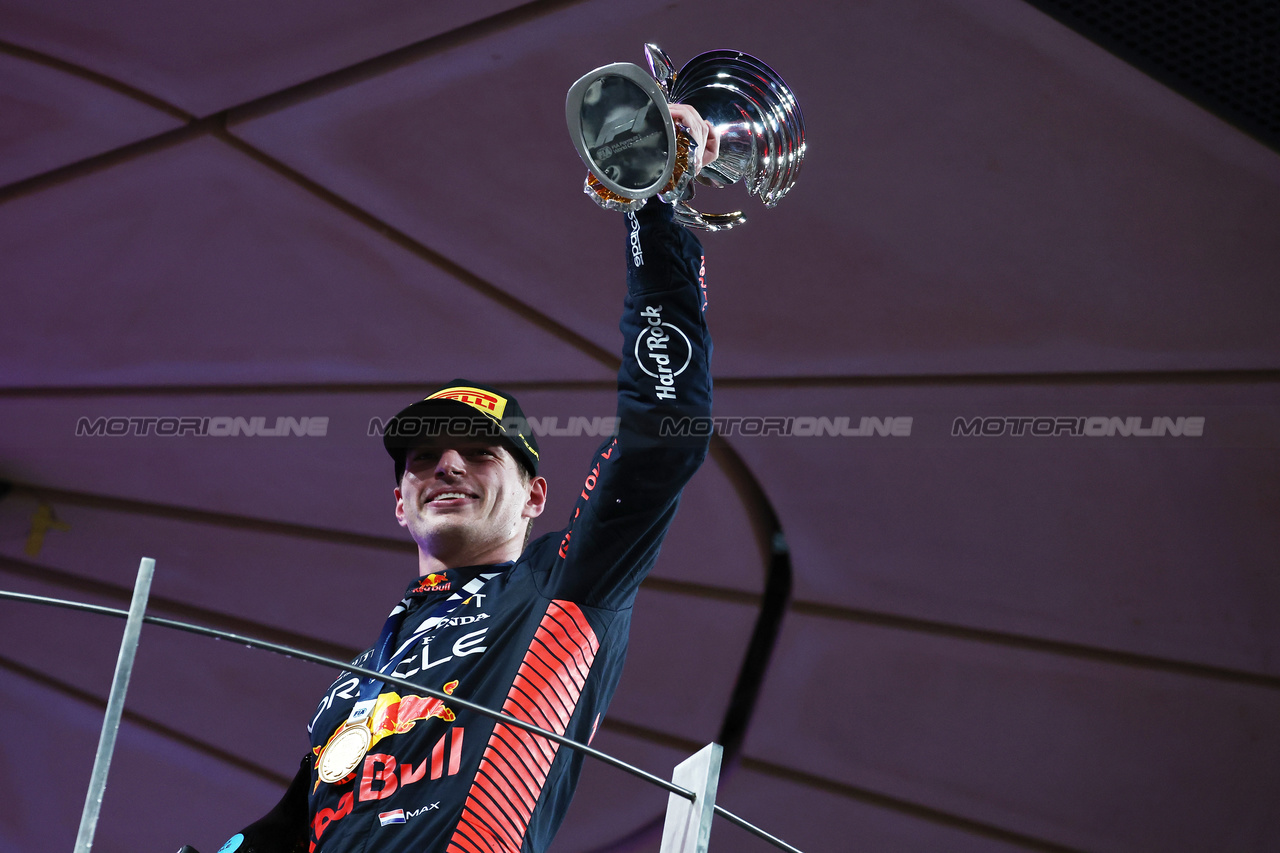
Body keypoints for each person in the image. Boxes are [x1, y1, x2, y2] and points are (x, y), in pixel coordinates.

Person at [192, 104, 719, 853]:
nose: (446, 464)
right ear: (397, 502)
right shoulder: (361, 675)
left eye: (480, 452)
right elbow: (285, 833)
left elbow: (662, 440)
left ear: (537, 496)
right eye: (423, 457)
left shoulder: (561, 584)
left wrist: (653, 209)